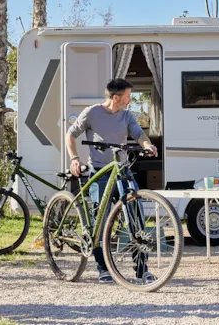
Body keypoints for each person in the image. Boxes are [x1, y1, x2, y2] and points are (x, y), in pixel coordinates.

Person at [65, 78, 158, 284]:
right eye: (127, 97)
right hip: (100, 172)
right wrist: (74, 158)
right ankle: (103, 268)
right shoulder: (92, 113)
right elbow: (70, 136)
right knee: (101, 219)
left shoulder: (126, 115)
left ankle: (142, 270)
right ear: (116, 98)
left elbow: (138, 133)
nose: (129, 101)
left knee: (136, 218)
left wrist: (148, 145)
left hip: (123, 171)